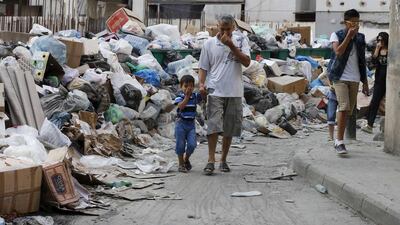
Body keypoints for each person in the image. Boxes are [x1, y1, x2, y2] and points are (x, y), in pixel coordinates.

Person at [198, 14, 251, 175]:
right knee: (213, 125)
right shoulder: (209, 44)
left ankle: (223, 160)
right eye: (222, 29)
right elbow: (203, 67)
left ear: (234, 28)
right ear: (217, 27)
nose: (225, 33)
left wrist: (232, 46)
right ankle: (210, 160)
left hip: (234, 91)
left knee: (229, 128)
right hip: (215, 90)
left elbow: (247, 62)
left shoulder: (241, 41)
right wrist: (201, 84)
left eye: (228, 29)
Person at [329, 9, 369, 155]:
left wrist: (364, 82)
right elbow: (338, 52)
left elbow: (362, 60)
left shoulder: (360, 37)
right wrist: (348, 37)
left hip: (355, 78)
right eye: (352, 22)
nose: (355, 25)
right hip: (339, 77)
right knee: (344, 107)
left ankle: (337, 137)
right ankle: (339, 141)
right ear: (346, 22)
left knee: (348, 111)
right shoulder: (337, 35)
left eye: (357, 22)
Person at [362, 32, 389, 134]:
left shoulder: (391, 50)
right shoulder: (378, 50)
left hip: (390, 80)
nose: (380, 42)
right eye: (378, 40)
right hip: (379, 80)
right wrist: (377, 49)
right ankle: (370, 124)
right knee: (375, 101)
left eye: (382, 40)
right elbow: (372, 63)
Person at [174, 75, 202, 173]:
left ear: (193, 87)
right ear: (181, 87)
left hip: (191, 125)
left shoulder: (195, 96)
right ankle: (181, 164)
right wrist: (186, 97)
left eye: (190, 86)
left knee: (192, 144)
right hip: (180, 124)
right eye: (185, 86)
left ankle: (186, 159)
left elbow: (203, 96)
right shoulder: (179, 96)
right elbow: (181, 107)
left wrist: (204, 90)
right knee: (180, 145)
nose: (188, 88)